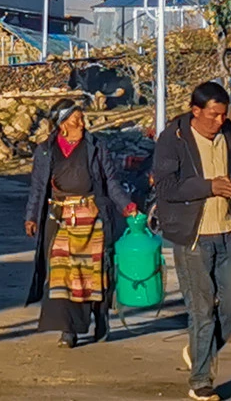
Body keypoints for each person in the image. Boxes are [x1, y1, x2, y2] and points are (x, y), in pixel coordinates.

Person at [152, 81, 231, 401]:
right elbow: (166, 188)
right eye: (214, 114)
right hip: (193, 238)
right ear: (196, 111)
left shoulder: (229, 136)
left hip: (227, 233)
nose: (219, 120)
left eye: (224, 114)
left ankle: (199, 349)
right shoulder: (174, 139)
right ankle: (200, 382)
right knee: (201, 310)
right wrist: (209, 187)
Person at [24, 99, 138, 347]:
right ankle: (69, 330)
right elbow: (37, 188)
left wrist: (125, 205)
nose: (82, 124)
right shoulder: (45, 150)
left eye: (82, 119)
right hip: (60, 218)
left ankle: (100, 316)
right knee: (63, 277)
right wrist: (31, 216)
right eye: (76, 120)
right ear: (62, 125)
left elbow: (111, 182)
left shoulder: (96, 147)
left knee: (94, 275)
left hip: (92, 217)